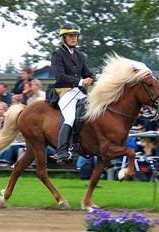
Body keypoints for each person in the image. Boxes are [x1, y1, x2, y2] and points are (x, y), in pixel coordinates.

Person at [51, 22, 95, 164]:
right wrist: (82, 82)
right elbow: (60, 76)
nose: (74, 38)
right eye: (70, 36)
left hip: (79, 92)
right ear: (64, 37)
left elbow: (87, 72)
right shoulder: (58, 54)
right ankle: (62, 151)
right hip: (64, 91)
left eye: (75, 36)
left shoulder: (80, 55)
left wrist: (94, 77)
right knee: (70, 118)